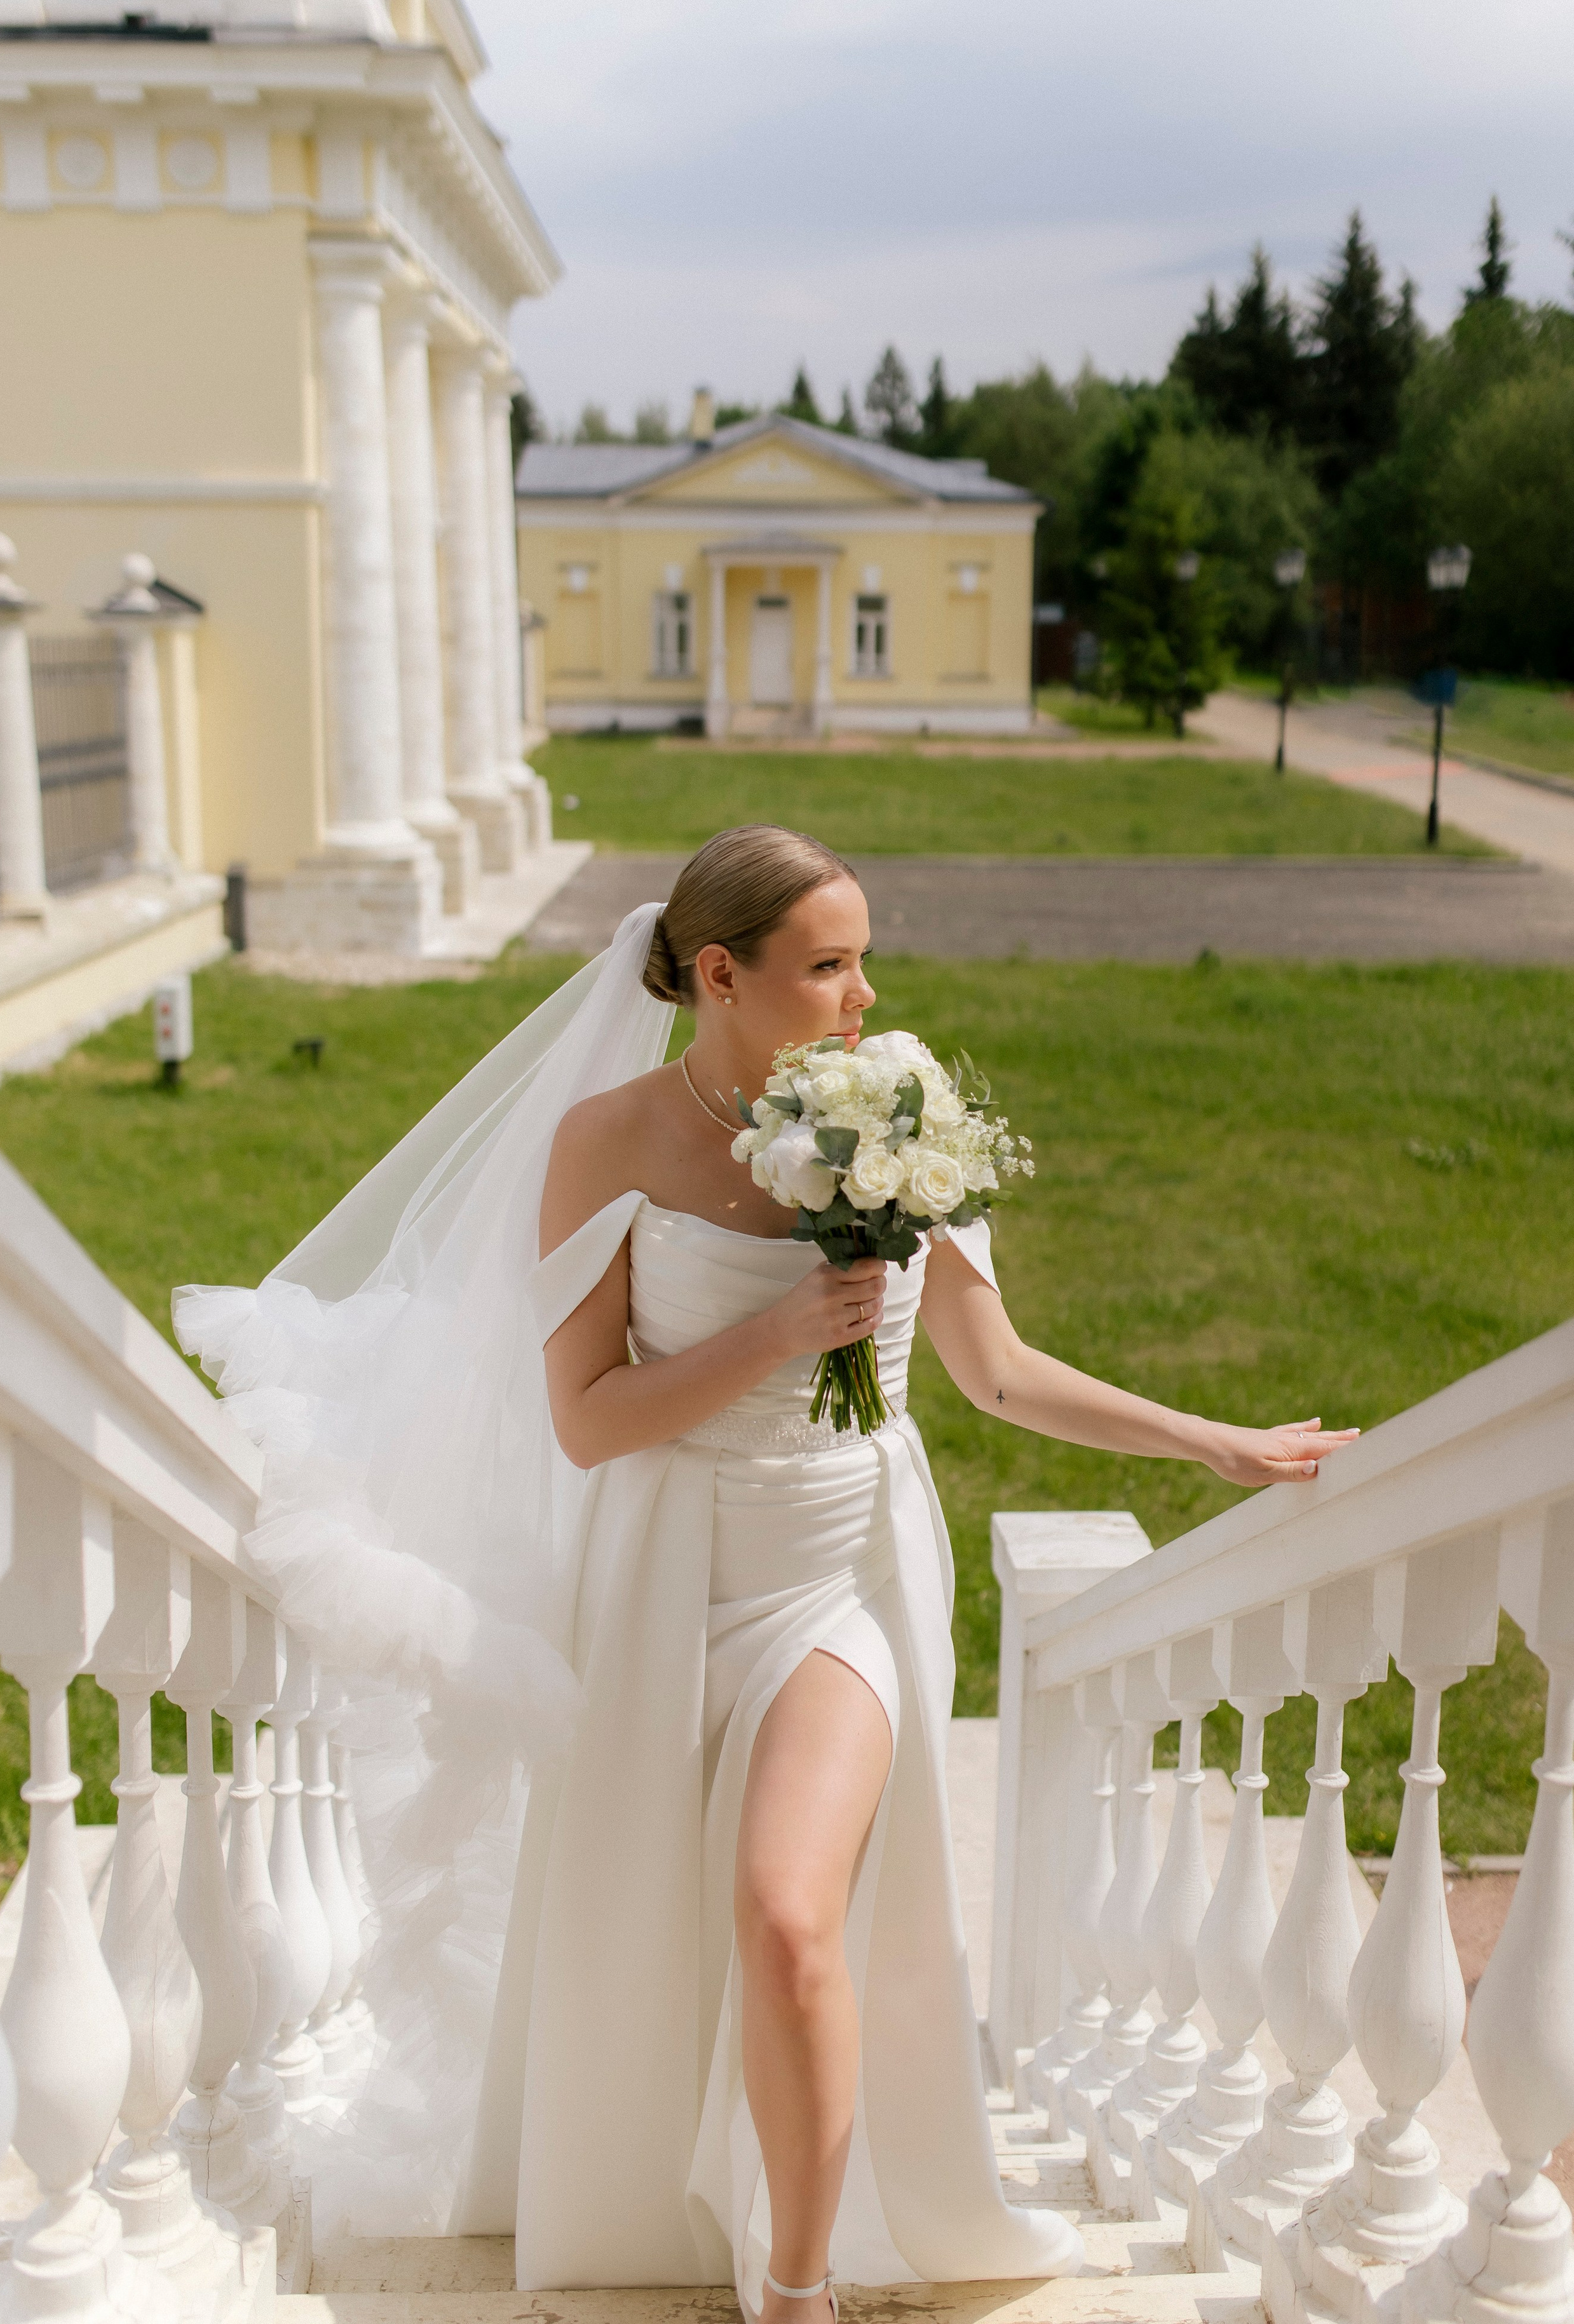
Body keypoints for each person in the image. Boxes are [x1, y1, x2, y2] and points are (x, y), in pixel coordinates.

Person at [175, 824, 1356, 2324]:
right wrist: (775, 1335)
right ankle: (659, 2192)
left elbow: (990, 1375)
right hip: (665, 1564)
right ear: (719, 976)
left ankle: (795, 2285)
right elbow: (589, 1423)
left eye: (864, 957)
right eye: (829, 965)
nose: (864, 996)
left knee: (786, 1912)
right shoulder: (604, 1141)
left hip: (844, 1561)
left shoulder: (904, 1109)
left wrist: (1207, 1444)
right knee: (658, 1914)